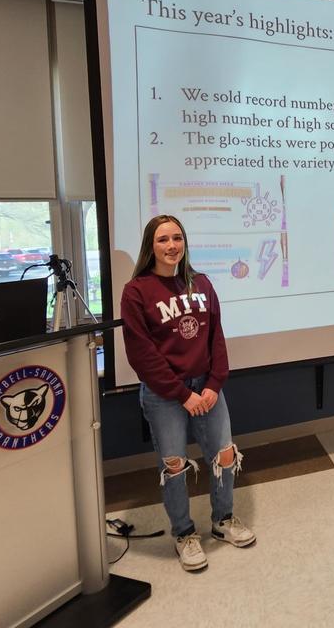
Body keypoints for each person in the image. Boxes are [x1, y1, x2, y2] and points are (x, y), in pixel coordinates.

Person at [121, 214, 256, 572]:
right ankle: (184, 533)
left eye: (177, 238)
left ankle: (223, 520)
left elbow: (215, 338)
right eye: (163, 239)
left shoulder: (202, 284)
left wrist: (213, 385)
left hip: (207, 388)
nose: (171, 246)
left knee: (225, 455)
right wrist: (182, 395)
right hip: (165, 394)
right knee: (174, 465)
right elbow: (141, 354)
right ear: (151, 245)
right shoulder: (136, 292)